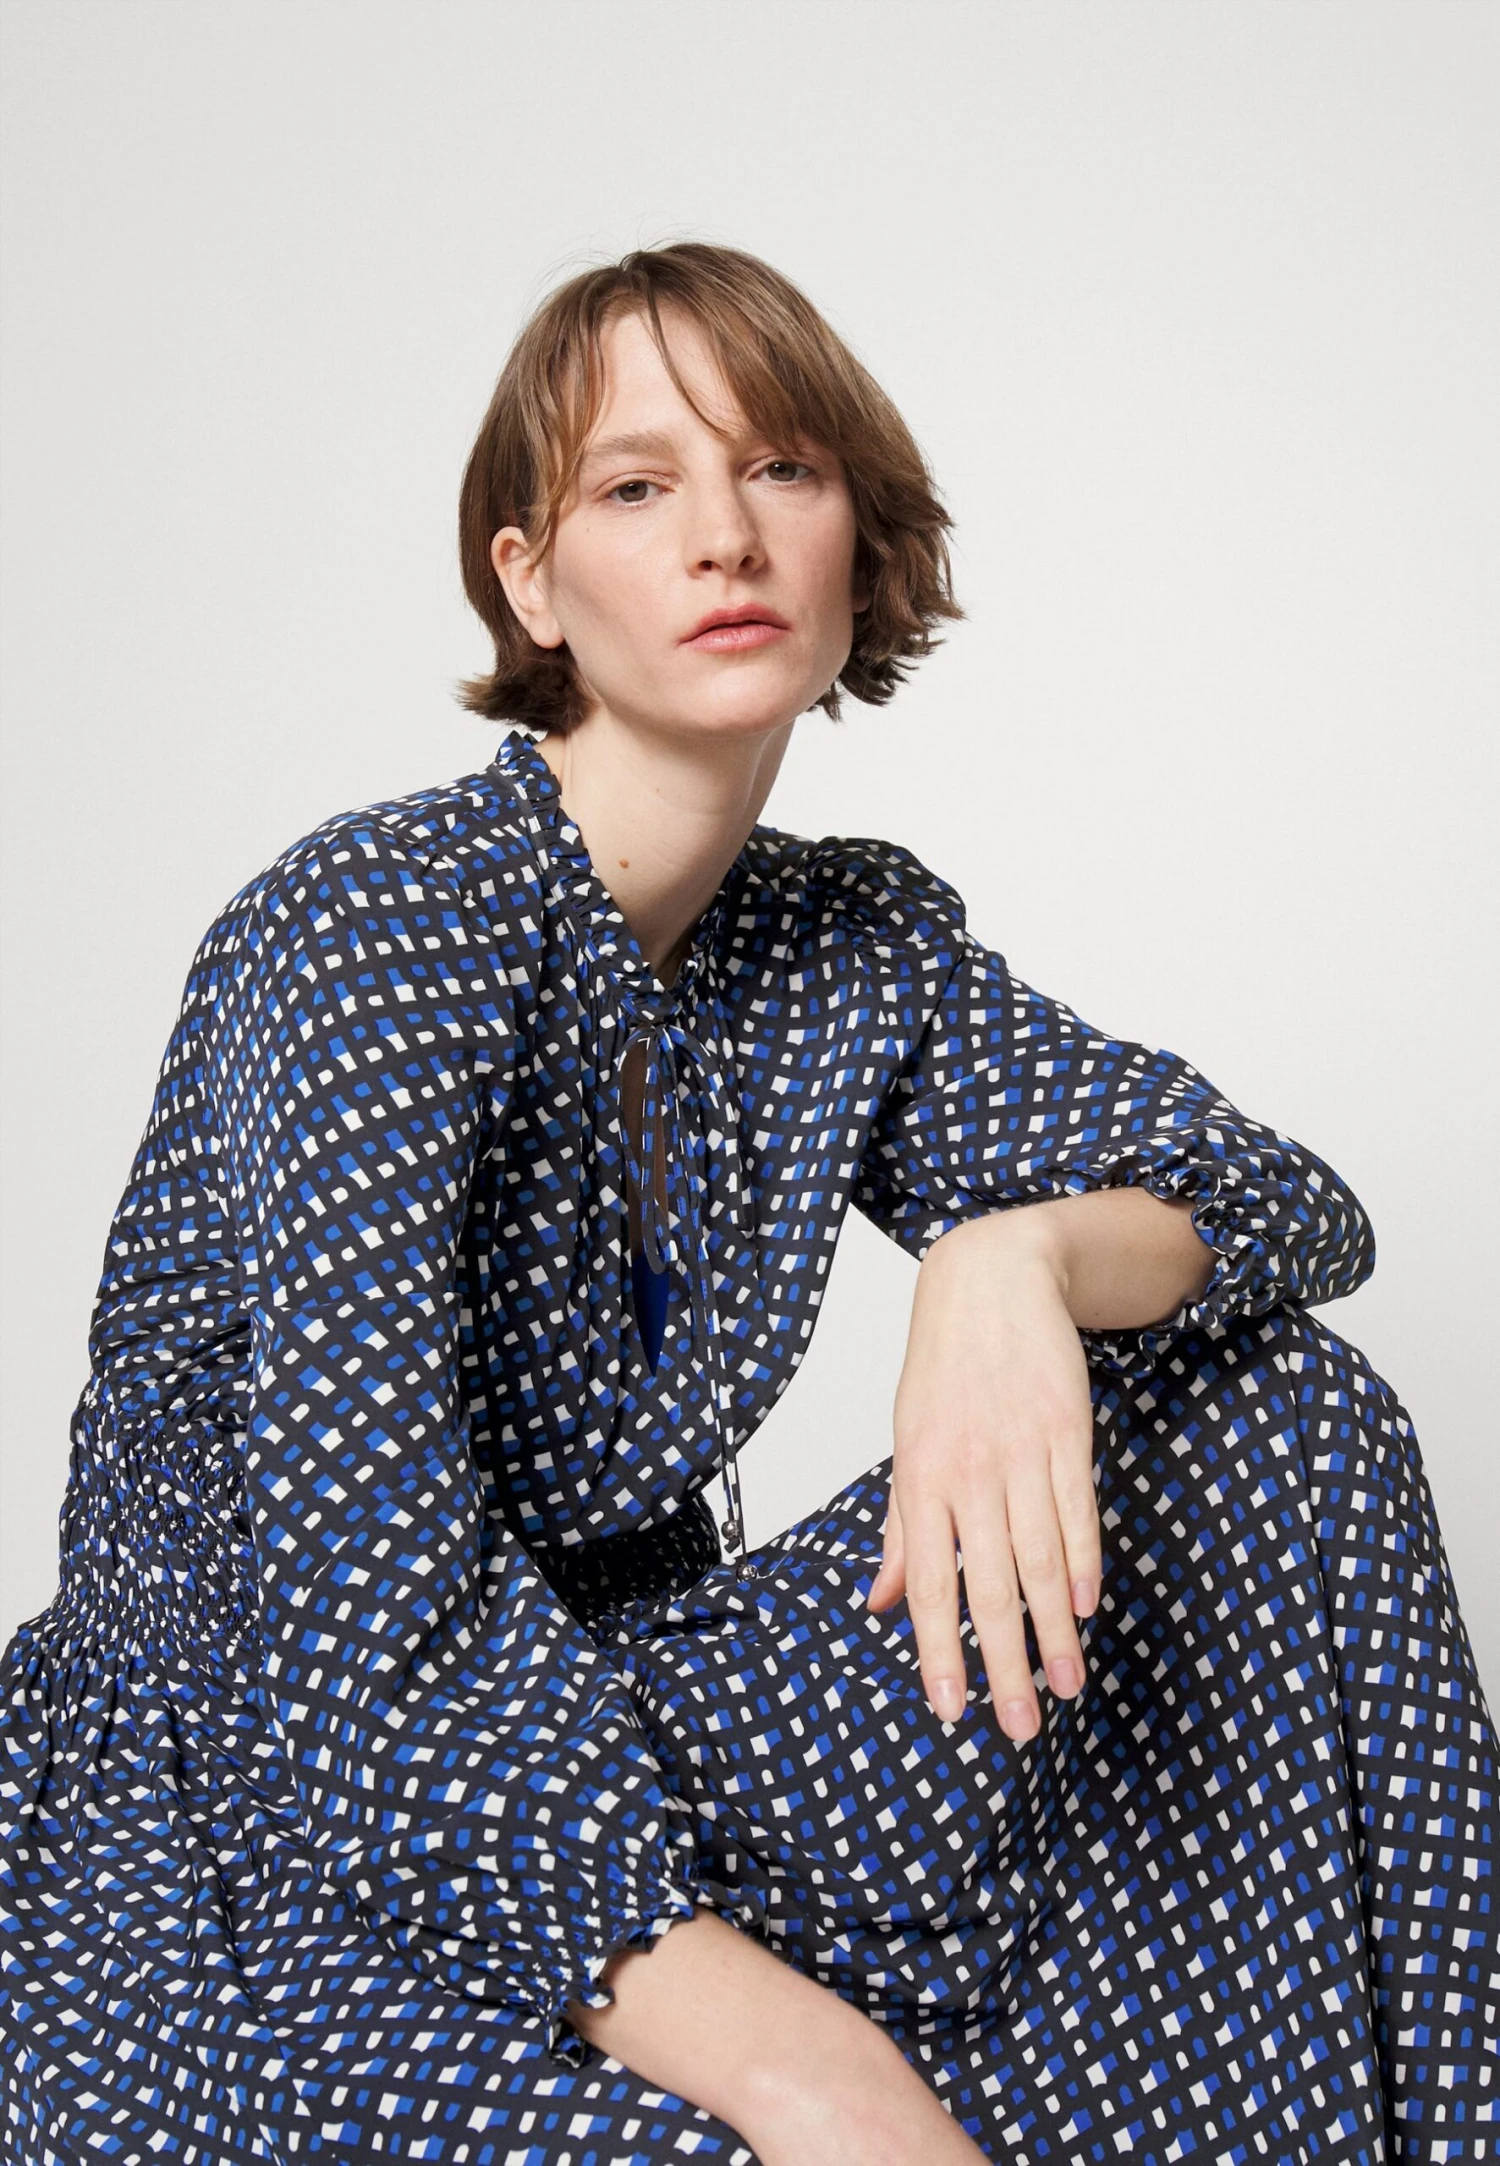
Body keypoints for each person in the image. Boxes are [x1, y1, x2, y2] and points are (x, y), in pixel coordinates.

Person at [0, 241, 1492, 2166]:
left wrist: (1013, 1255)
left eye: (781, 467)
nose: (725, 534)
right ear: (531, 579)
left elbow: (1283, 1208)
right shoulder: (371, 927)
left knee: (1284, 1418)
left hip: (633, 1711)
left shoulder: (846, 942)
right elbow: (367, 1617)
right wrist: (812, 2073)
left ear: (859, 543)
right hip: (261, 1798)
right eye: (638, 486)